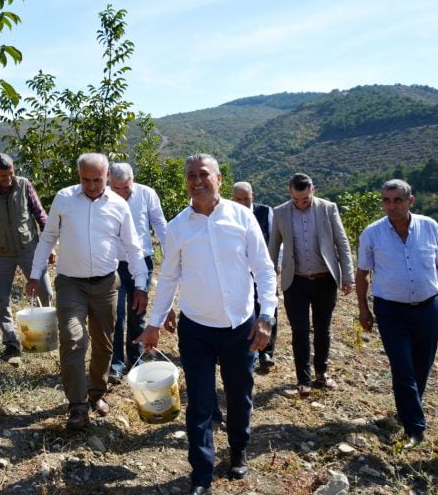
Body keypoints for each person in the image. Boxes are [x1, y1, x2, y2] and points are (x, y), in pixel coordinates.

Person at [139, 154, 277, 495]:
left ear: (219, 179)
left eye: (204, 174)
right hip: (197, 329)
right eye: (191, 175)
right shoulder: (178, 226)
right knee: (200, 404)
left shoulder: (241, 216)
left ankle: (238, 449)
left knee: (239, 396)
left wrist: (266, 316)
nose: (197, 181)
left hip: (240, 327)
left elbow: (263, 270)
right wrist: (154, 323)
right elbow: (169, 277)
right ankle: (201, 474)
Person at [26, 153, 148, 430]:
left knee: (104, 344)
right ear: (78, 175)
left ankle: (96, 393)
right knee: (73, 339)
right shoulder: (64, 199)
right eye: (86, 180)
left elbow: (133, 246)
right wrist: (35, 274)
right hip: (71, 283)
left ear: (107, 177)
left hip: (106, 285)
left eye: (97, 180)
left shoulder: (118, 205)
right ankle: (77, 406)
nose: (92, 186)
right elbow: (48, 237)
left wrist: (141, 284)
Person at [355, 179, 438, 448]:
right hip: (391, 311)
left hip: (428, 307)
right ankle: (414, 427)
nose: (392, 206)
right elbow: (362, 274)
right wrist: (363, 309)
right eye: (386, 201)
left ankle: (409, 407)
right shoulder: (372, 233)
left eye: (397, 200)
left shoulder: (429, 226)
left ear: (411, 201)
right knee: (402, 367)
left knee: (422, 364)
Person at [268, 172, 354, 398]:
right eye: (295, 199)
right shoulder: (280, 212)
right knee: (300, 331)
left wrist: (348, 276)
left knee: (323, 328)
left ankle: (321, 373)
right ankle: (303, 382)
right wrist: (269, 280)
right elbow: (273, 247)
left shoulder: (328, 208)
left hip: (325, 279)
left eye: (305, 199)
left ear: (313, 190)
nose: (300, 203)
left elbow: (342, 242)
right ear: (290, 193)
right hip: (295, 281)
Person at [0, 153, 54, 363]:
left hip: (29, 249)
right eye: (3, 176)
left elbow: (40, 215)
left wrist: (49, 247)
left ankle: (45, 335)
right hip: (1, 253)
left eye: (11, 174)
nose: (8, 179)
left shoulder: (24, 185)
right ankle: (11, 344)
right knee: (2, 300)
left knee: (45, 292)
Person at [107, 162, 168, 384]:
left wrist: (171, 253)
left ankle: (135, 360)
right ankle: (115, 364)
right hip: (114, 262)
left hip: (142, 261)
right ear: (109, 182)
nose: (122, 193)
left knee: (137, 312)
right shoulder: (103, 196)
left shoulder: (146, 194)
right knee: (116, 314)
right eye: (117, 188)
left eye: (126, 187)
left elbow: (159, 223)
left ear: (133, 180)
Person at [232, 181, 278, 372]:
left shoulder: (265, 212)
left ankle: (266, 351)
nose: (242, 203)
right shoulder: (229, 214)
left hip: (262, 268)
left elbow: (275, 239)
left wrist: (276, 265)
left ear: (253, 196)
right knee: (245, 308)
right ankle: (247, 350)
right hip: (240, 271)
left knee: (267, 307)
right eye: (238, 199)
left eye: (246, 199)